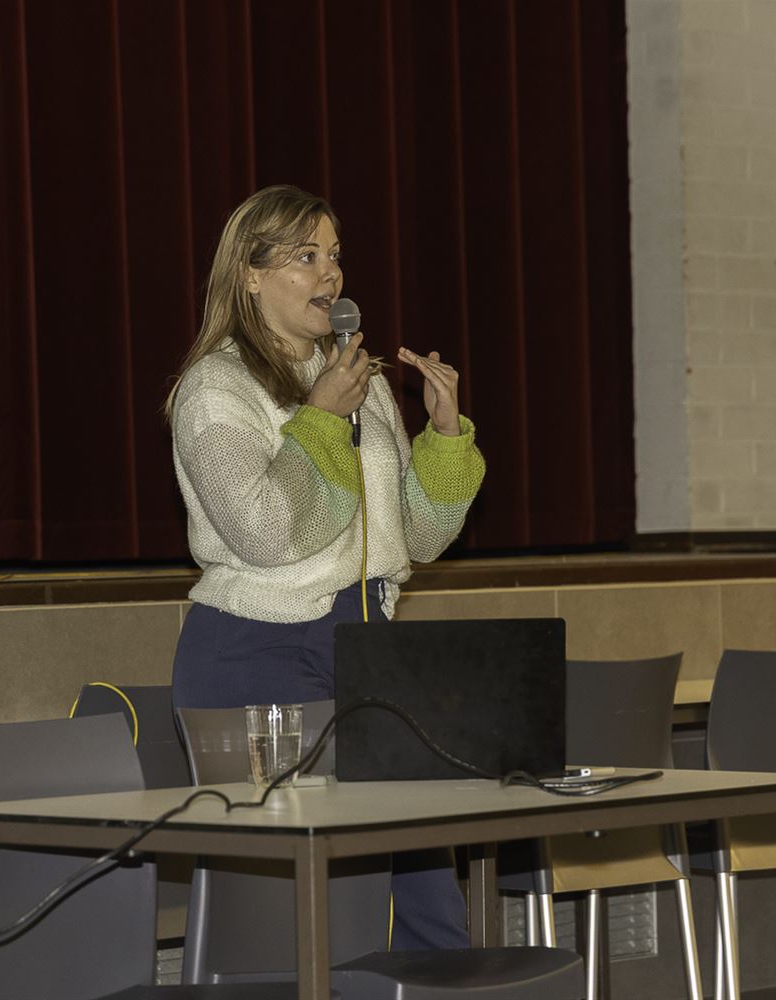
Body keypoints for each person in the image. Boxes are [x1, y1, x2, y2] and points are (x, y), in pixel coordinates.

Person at [164, 184, 486, 951]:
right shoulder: (216, 388)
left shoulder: (357, 383)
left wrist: (444, 436)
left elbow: (418, 534)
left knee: (428, 899)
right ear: (249, 274)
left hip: (367, 647)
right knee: (325, 919)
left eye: (334, 256)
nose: (330, 274)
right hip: (259, 649)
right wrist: (320, 417)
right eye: (305, 257)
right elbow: (266, 534)